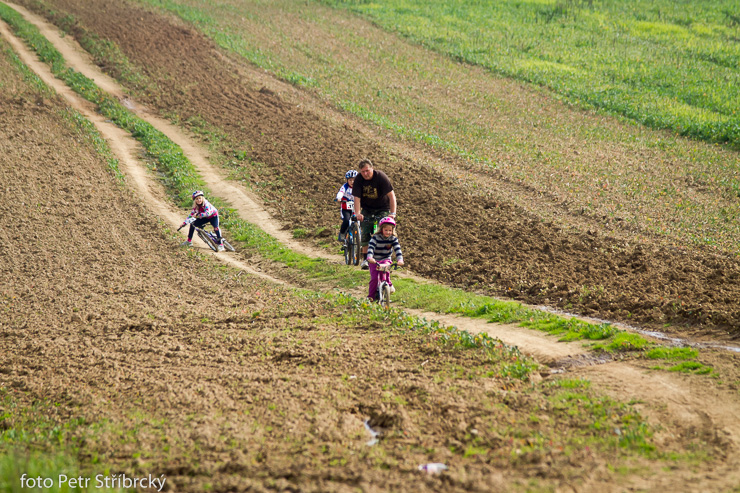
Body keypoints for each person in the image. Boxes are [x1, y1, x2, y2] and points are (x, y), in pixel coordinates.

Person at [352, 158, 397, 269]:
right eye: (363, 172)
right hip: (367, 208)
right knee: (365, 230)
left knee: (384, 230)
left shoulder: (381, 177)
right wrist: (358, 213)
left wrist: (392, 213)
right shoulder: (358, 180)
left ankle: (386, 257)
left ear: (372, 168)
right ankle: (366, 259)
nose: (365, 174)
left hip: (382, 208)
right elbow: (356, 198)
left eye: (367, 170)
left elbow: (392, 196)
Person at [366, 216, 404, 301]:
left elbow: (397, 249)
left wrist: (400, 259)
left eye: (390, 230)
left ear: (393, 230)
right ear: (381, 229)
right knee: (374, 278)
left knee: (386, 274)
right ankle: (371, 296)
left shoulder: (393, 239)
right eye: (386, 230)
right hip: (374, 260)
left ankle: (388, 286)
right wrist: (370, 257)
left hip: (386, 259)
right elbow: (371, 248)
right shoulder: (375, 238)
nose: (388, 232)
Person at [334, 170, 357, 243]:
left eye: (354, 180)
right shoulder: (345, 186)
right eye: (350, 180)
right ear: (347, 180)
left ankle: (358, 236)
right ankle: (342, 233)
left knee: (358, 219)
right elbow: (341, 192)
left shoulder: (358, 187)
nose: (352, 182)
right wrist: (339, 198)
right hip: (346, 208)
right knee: (346, 220)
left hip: (355, 208)